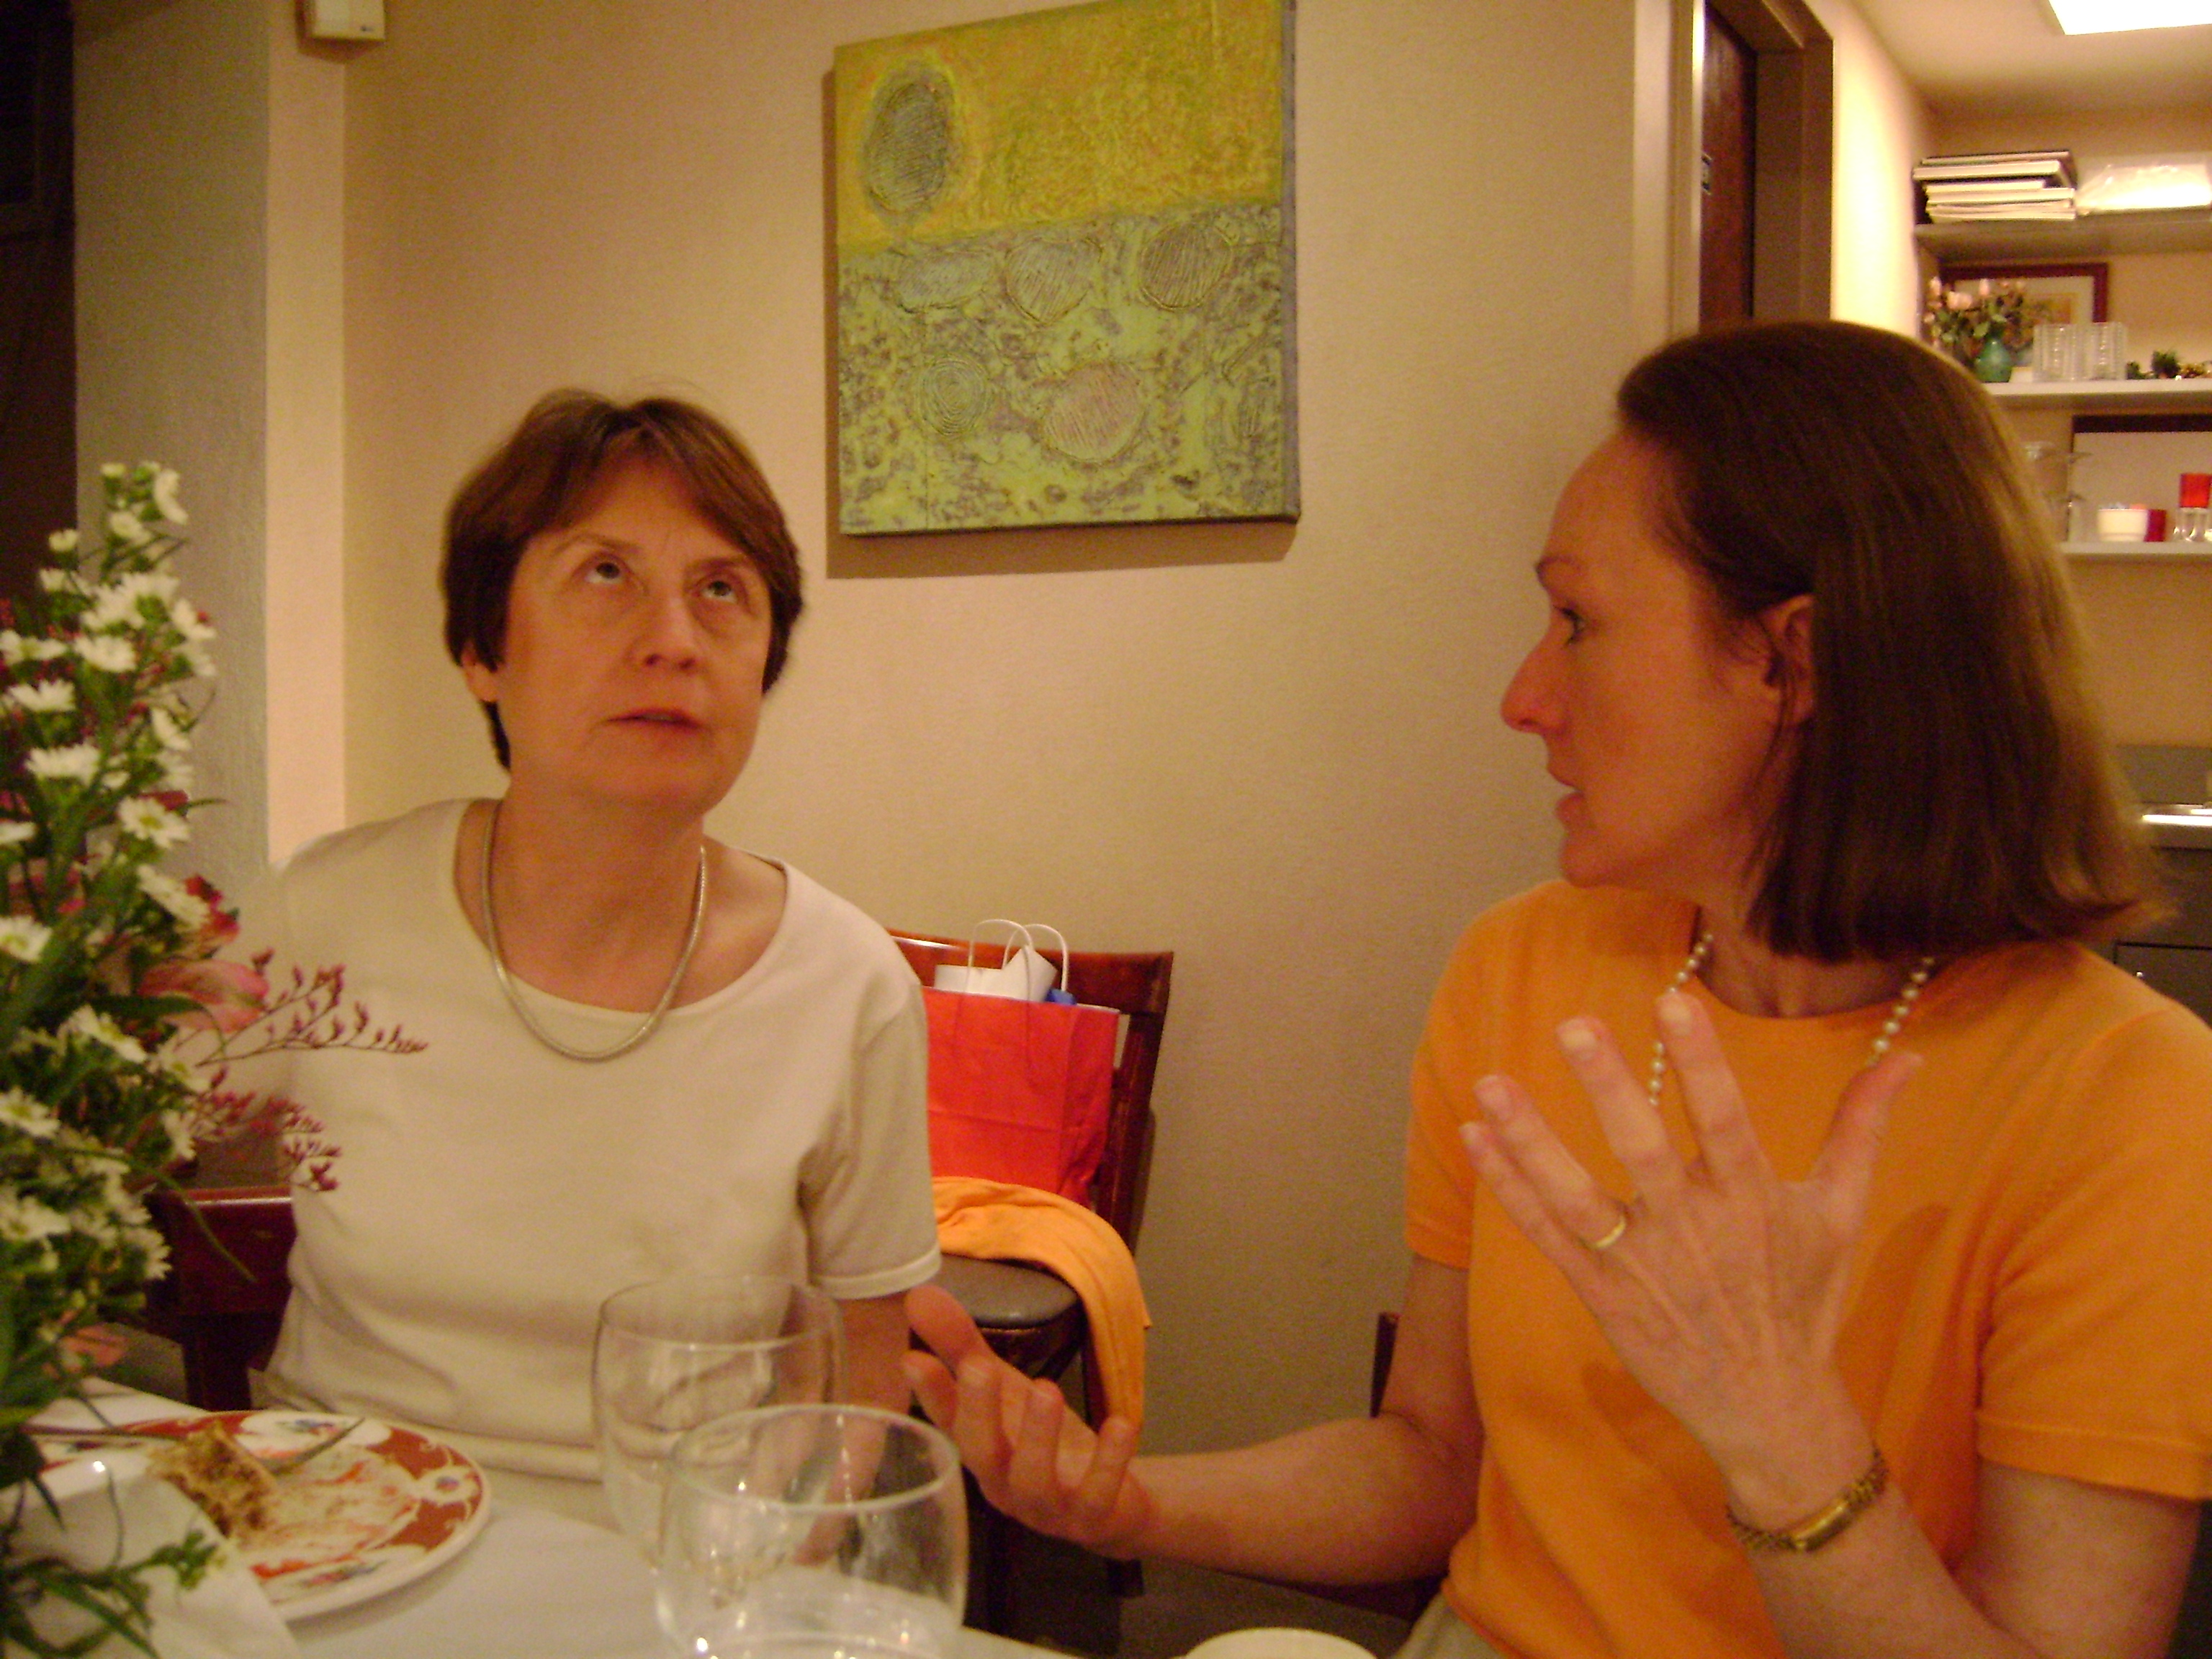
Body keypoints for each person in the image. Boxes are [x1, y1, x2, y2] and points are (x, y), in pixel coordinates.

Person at [906, 321, 2212, 1658]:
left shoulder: (2128, 1101)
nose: (1524, 697)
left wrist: (1782, 1435)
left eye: (1578, 621)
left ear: (1794, 663)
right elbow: (1431, 1460)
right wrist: (1123, 1501)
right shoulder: (1529, 966)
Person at [248, 391, 940, 1518]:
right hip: (341, 1538)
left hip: (674, 1564)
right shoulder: (329, 913)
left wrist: (777, 1566)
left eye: (722, 589)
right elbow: (95, 1146)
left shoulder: (847, 985)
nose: (674, 640)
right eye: (605, 573)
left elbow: (864, 1365)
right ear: (483, 650)